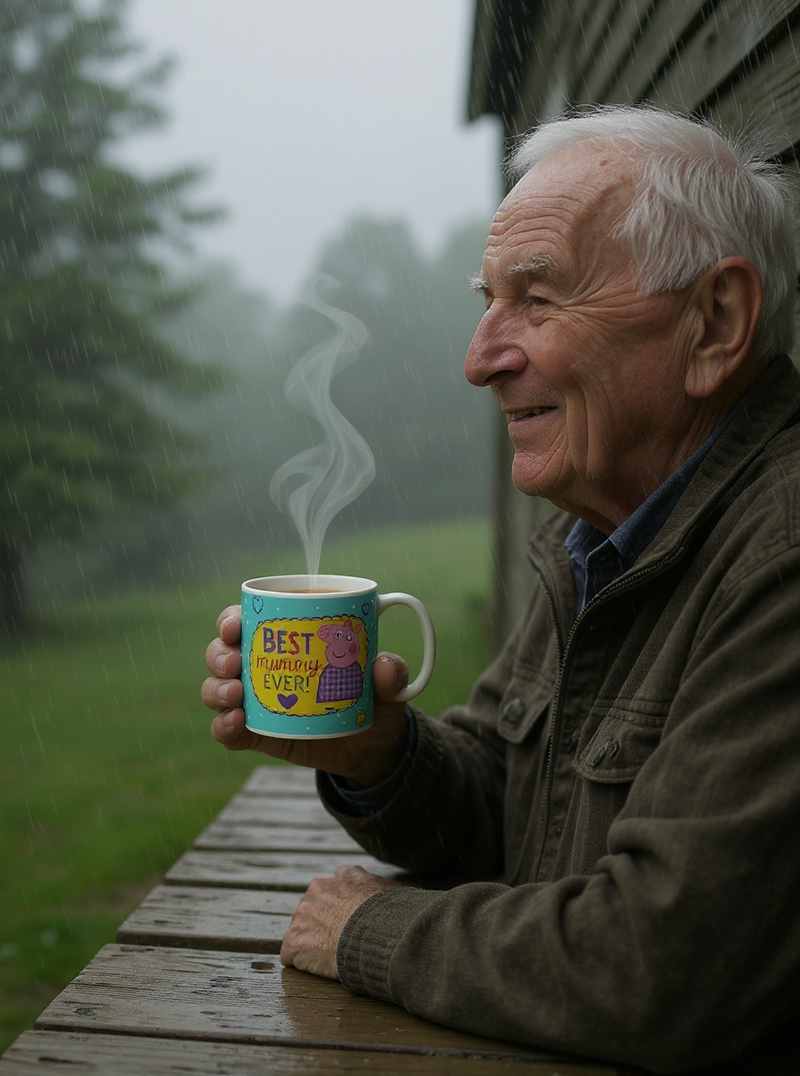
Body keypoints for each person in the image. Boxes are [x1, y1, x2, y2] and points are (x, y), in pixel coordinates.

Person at [201, 105, 800, 1075]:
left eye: (536, 298)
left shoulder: (779, 552)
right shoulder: (602, 527)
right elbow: (506, 817)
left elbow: (664, 965)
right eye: (486, 300)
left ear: (714, 322)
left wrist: (372, 930)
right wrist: (375, 749)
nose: (478, 358)